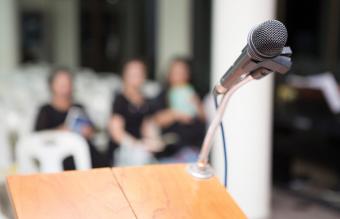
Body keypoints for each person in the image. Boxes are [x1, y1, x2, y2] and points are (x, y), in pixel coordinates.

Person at [34, 68, 108, 169]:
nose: (64, 87)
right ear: (51, 85)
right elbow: (37, 137)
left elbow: (93, 129)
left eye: (67, 83)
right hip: (61, 158)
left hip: (86, 155)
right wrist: (62, 132)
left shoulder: (79, 107)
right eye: (60, 84)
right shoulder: (45, 111)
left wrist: (88, 131)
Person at [108, 59, 163, 166]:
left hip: (143, 153)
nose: (136, 77)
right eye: (132, 74)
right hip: (123, 152)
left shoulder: (147, 102)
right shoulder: (119, 101)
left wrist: (154, 141)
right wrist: (138, 145)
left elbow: (148, 127)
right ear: (124, 76)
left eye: (139, 74)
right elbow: (116, 133)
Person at [153, 57, 206, 161]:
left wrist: (197, 105)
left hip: (192, 148)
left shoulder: (194, 92)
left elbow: (204, 118)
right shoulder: (163, 95)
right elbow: (157, 120)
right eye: (176, 72)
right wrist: (176, 114)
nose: (180, 75)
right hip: (169, 151)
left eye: (183, 72)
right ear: (169, 75)